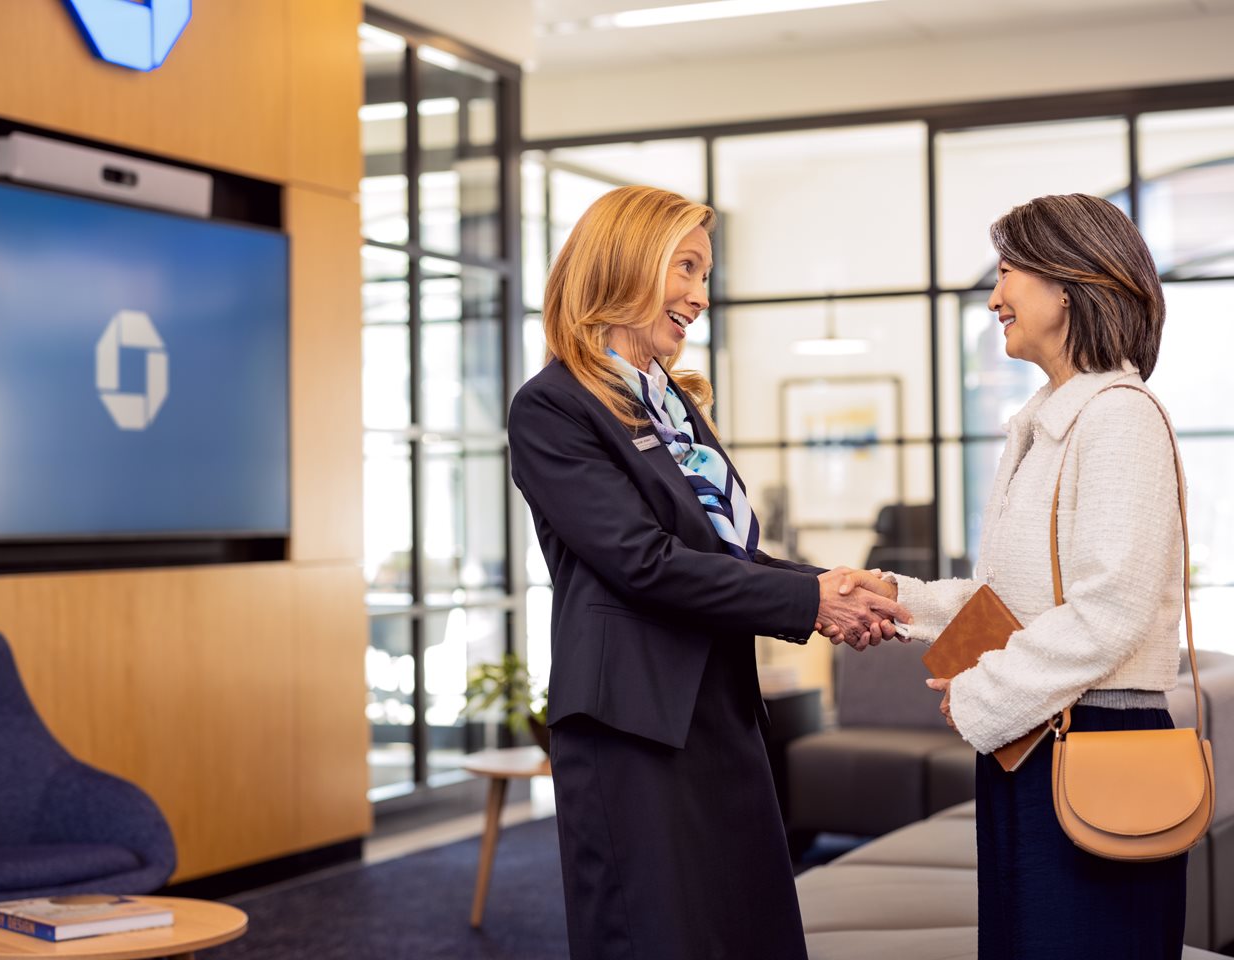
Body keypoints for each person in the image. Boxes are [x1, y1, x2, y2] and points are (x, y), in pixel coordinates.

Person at [507, 185, 911, 960]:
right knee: (656, 936)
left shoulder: (671, 403)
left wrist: (833, 587)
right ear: (625, 262)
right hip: (632, 721)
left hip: (717, 708)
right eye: (685, 268)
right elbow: (642, 563)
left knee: (746, 930)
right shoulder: (553, 407)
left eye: (705, 275)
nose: (699, 295)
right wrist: (809, 599)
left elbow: (722, 554)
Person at [870, 193, 1186, 959]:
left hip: (1090, 739)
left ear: (1070, 283)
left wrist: (983, 693)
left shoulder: (1117, 417)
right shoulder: (1052, 422)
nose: (994, 296)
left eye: (1009, 271)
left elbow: (1109, 609)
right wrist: (894, 600)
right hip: (1037, 738)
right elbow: (1011, 604)